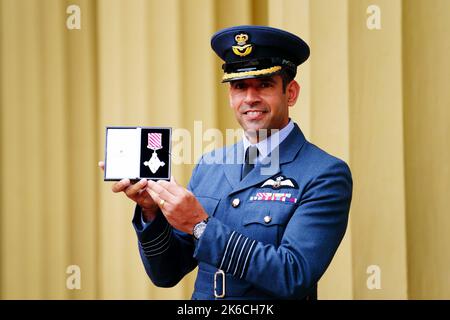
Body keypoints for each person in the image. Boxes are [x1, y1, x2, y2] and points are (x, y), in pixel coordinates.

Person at [99, 25, 352, 300]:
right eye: (239, 86)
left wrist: (200, 226)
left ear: (290, 93)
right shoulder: (210, 163)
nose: (250, 98)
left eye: (264, 85)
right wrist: (151, 213)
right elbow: (166, 274)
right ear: (230, 95)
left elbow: (294, 274)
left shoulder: (324, 173)